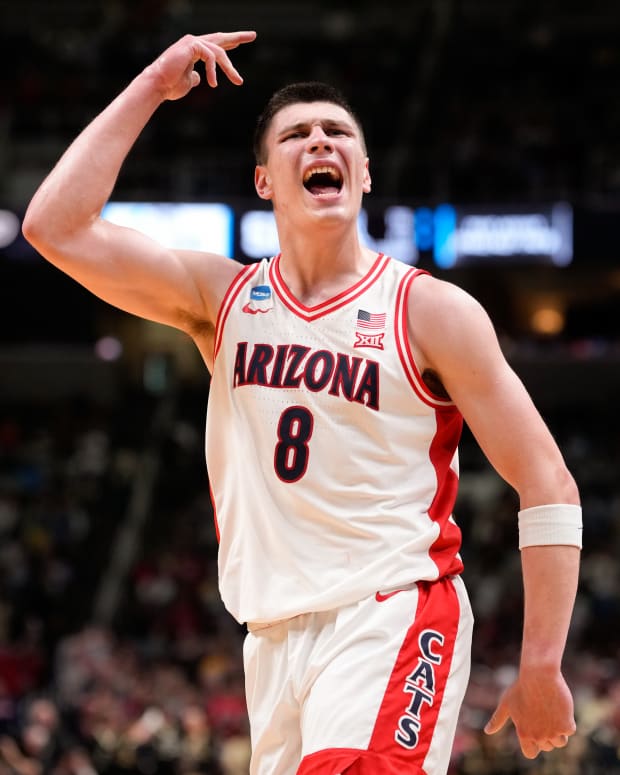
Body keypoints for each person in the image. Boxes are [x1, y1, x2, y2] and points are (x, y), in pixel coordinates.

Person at [22, 31, 582, 775]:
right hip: (272, 636)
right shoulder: (221, 298)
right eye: (296, 134)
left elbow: (547, 480)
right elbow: (53, 227)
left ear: (365, 172)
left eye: (337, 132)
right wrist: (153, 85)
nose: (320, 139)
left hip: (391, 612)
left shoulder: (430, 311)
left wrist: (541, 662)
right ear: (264, 180)